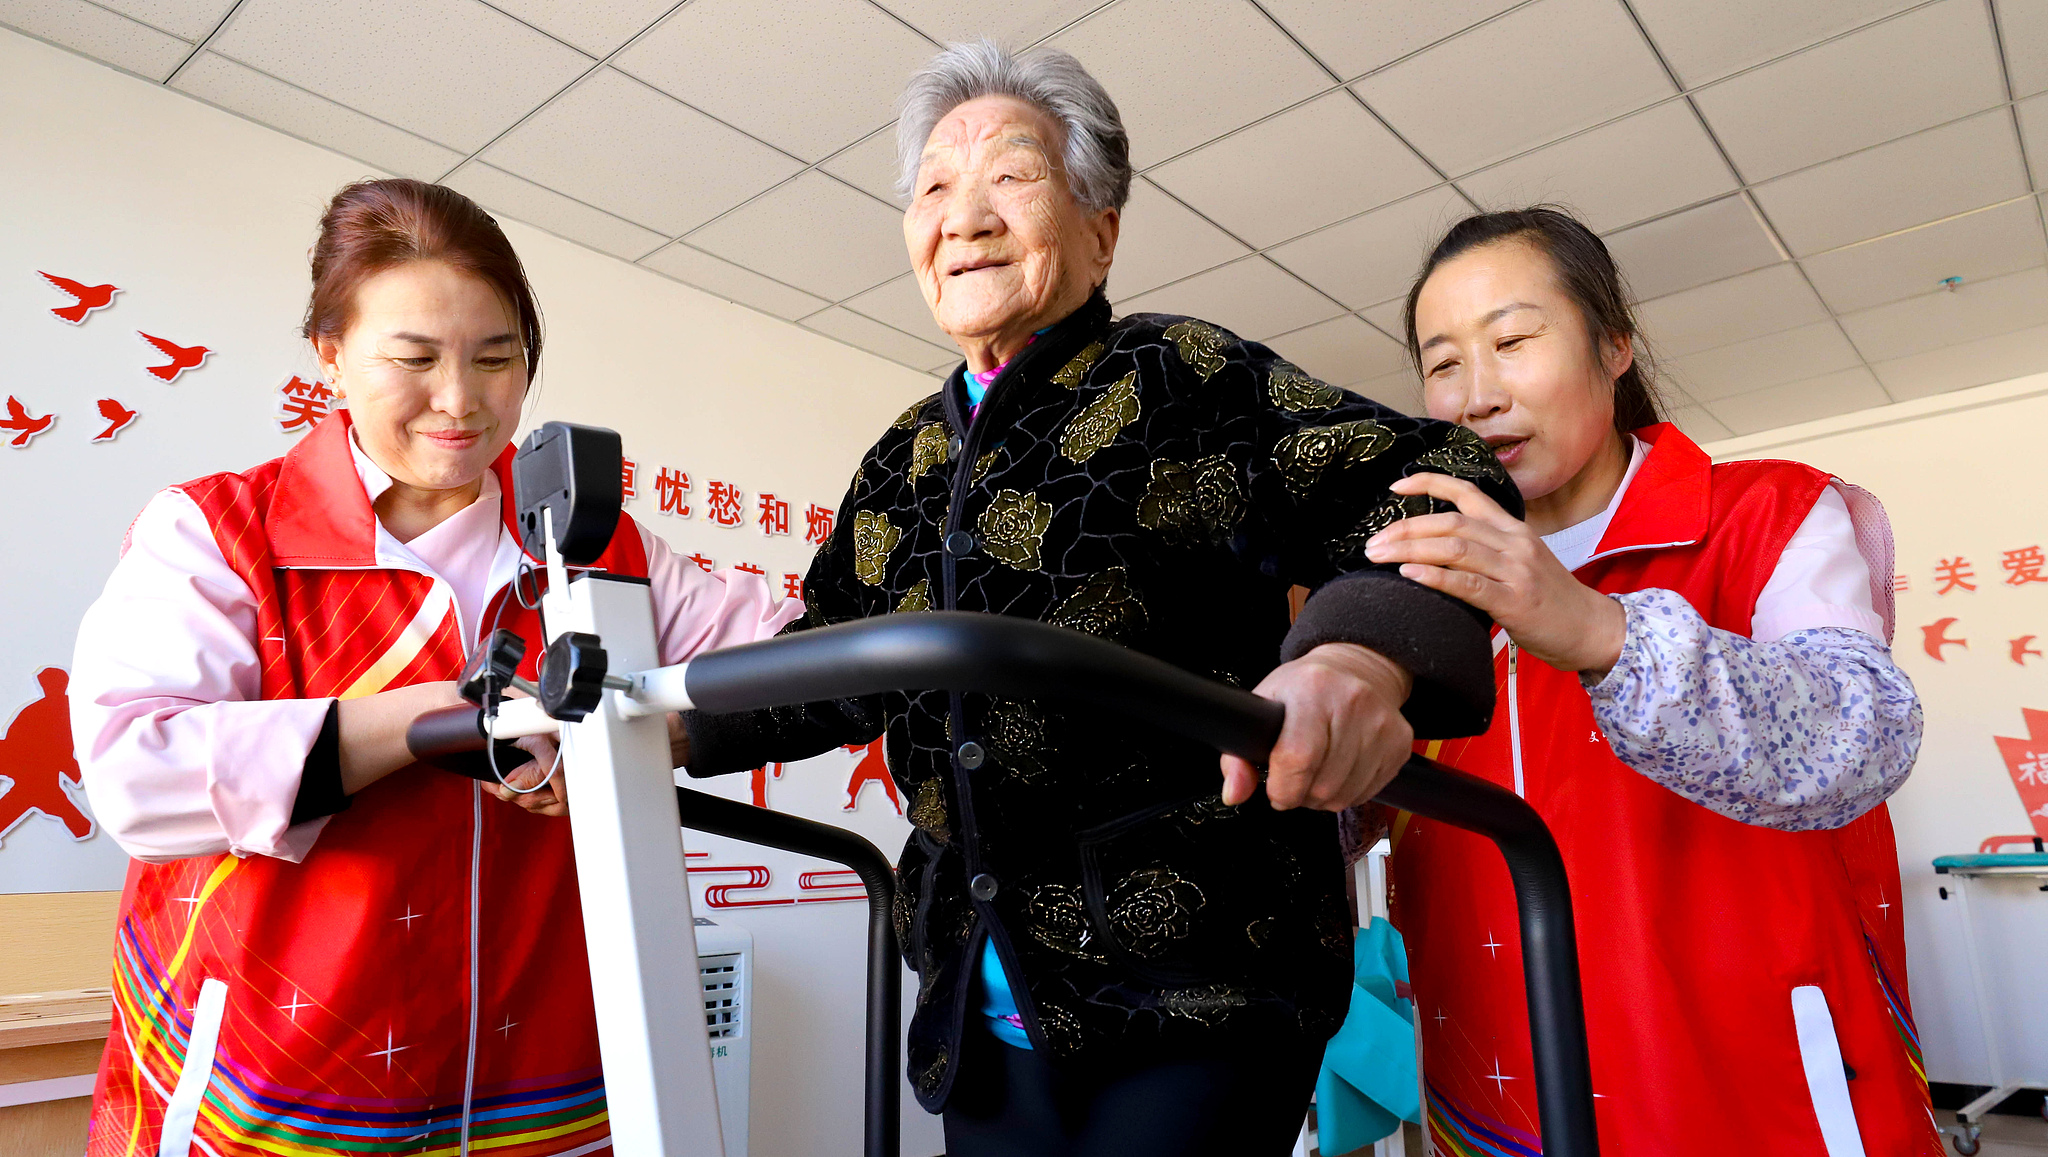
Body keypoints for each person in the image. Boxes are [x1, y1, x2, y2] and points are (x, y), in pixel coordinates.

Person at [675, 41, 1521, 1157]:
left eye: (1010, 179)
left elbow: (1438, 481)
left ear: (1101, 224)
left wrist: (1353, 659)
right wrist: (659, 734)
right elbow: (829, 664)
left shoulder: (1183, 378)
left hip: (1197, 987)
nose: (963, 217)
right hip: (977, 1001)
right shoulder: (902, 460)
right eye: (933, 187)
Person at [71, 178, 797, 1156]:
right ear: (328, 354)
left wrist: (647, 732)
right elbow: (136, 772)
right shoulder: (219, 534)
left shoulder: (598, 547)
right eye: (412, 358)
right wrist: (440, 718)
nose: (460, 401)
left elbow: (786, 656)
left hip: (542, 1081)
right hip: (287, 1080)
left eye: (497, 358)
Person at [1363, 207, 1938, 1156]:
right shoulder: (1420, 580)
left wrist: (1596, 630)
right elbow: (1352, 806)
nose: (1476, 395)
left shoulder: (1768, 515)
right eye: (1443, 363)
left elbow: (1864, 734)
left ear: (1614, 346)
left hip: (1761, 1087)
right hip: (1507, 1094)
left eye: (1511, 340)